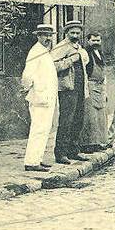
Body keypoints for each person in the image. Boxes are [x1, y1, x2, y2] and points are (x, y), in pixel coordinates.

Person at [21, 24, 59, 172]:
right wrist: (28, 89)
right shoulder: (35, 51)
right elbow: (27, 75)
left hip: (47, 97)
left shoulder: (45, 51)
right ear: (38, 36)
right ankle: (31, 162)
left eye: (50, 35)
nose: (48, 38)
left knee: (44, 130)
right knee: (38, 129)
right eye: (44, 35)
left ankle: (38, 158)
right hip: (40, 98)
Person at [53, 21, 89, 163]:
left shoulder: (79, 47)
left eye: (77, 33)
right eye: (72, 33)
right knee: (66, 121)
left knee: (78, 120)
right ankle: (60, 154)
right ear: (66, 33)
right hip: (67, 88)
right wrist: (71, 60)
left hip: (79, 87)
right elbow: (53, 66)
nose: (75, 35)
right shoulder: (61, 47)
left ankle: (73, 151)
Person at [79, 33, 109, 152]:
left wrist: (105, 90)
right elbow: (84, 72)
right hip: (90, 85)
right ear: (88, 41)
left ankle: (99, 142)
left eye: (98, 40)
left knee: (100, 116)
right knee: (90, 116)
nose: (96, 43)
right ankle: (87, 144)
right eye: (93, 40)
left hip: (100, 86)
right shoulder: (85, 53)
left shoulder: (100, 53)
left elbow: (103, 71)